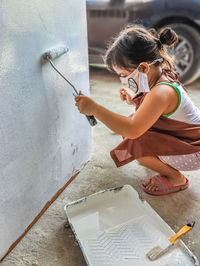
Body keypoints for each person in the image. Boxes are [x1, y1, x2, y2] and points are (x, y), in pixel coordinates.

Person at [75, 25, 200, 196]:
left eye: (123, 75)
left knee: (136, 145)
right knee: (133, 127)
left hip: (195, 151)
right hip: (189, 140)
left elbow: (132, 130)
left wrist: (95, 108)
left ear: (143, 68)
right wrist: (134, 101)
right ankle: (164, 165)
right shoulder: (160, 76)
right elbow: (159, 113)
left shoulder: (161, 92)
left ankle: (176, 178)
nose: (122, 80)